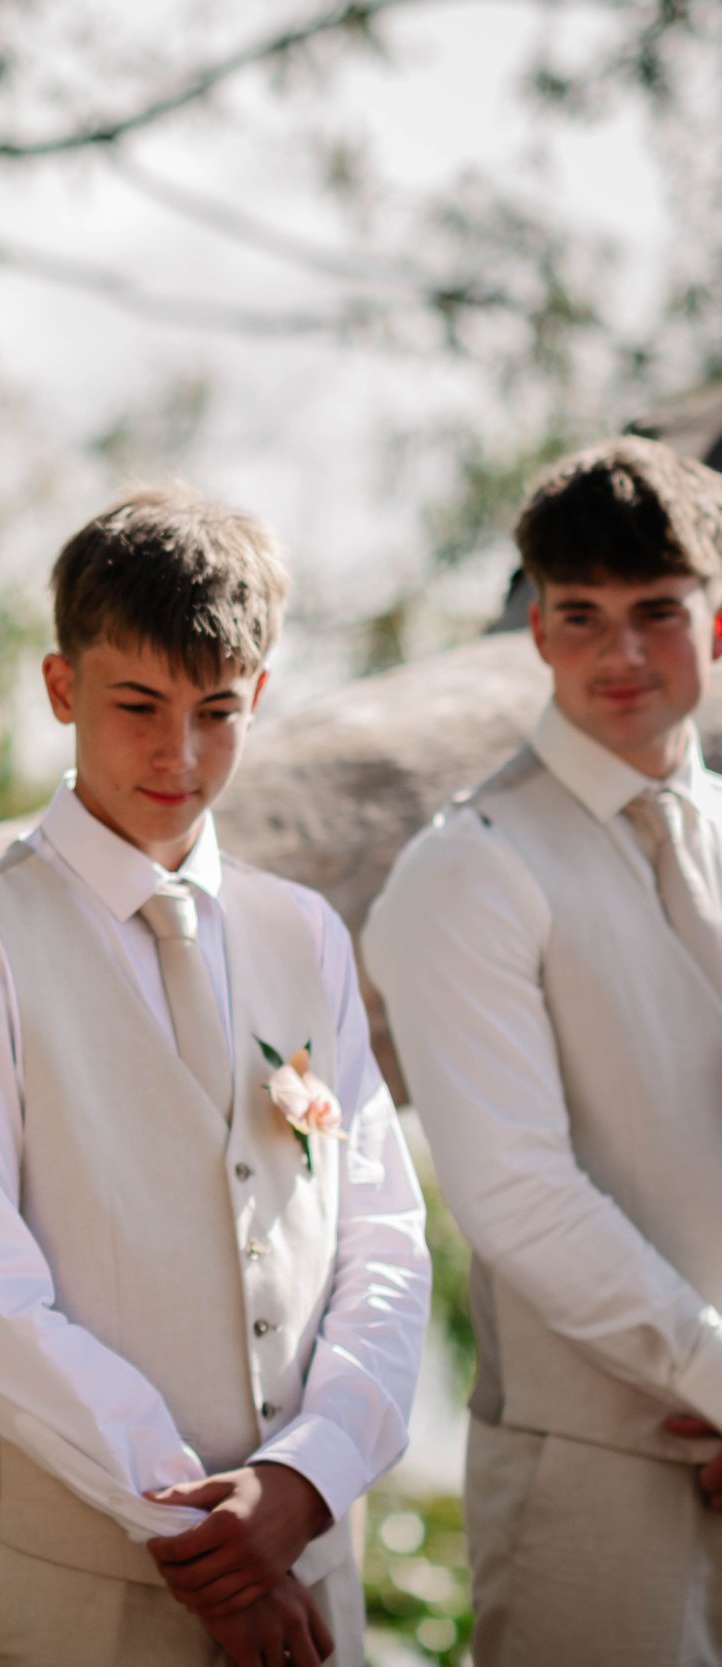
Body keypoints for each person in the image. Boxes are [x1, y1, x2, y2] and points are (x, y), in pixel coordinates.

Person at [0, 487, 430, 1667]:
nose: (177, 753)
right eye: (137, 704)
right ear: (62, 687)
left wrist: (304, 1479)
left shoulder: (304, 934)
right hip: (83, 1596)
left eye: (216, 710)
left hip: (315, 1571)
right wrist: (200, 1538)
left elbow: (382, 1240)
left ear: (259, 697)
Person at [363, 437, 722, 1667]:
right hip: (594, 1483)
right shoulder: (467, 869)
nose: (620, 652)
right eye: (582, 614)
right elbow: (515, 1192)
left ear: (715, 625)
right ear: (537, 634)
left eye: (656, 612)